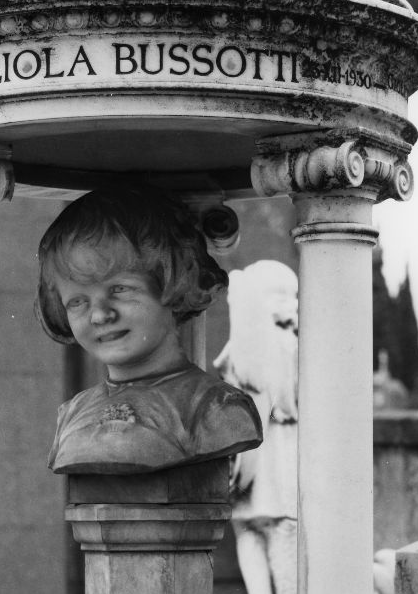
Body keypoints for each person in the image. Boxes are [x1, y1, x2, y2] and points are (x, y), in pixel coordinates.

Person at [36, 186, 262, 475]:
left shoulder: (215, 409)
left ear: (175, 282)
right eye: (78, 302)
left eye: (120, 290)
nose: (101, 314)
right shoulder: (72, 414)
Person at [214, 260, 299, 594]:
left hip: (259, 447)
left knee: (254, 526)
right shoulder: (284, 346)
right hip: (275, 449)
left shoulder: (256, 345)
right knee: (273, 525)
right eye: (284, 295)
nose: (292, 304)